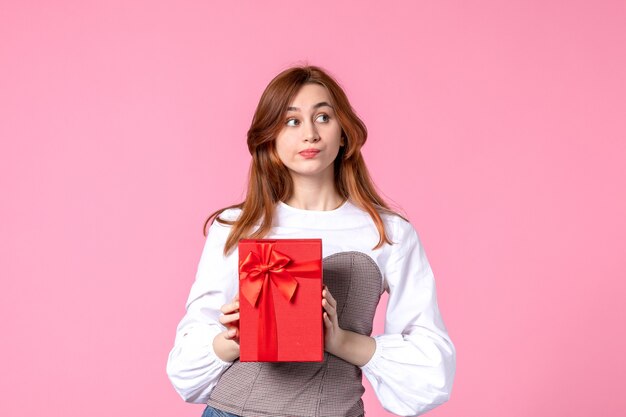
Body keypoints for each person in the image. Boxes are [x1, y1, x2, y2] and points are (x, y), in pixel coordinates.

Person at [166, 65, 456, 417]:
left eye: (323, 117)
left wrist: (339, 340)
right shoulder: (235, 226)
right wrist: (232, 338)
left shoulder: (388, 232)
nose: (310, 134)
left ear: (344, 132)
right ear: (270, 138)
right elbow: (185, 369)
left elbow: (432, 372)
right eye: (291, 121)